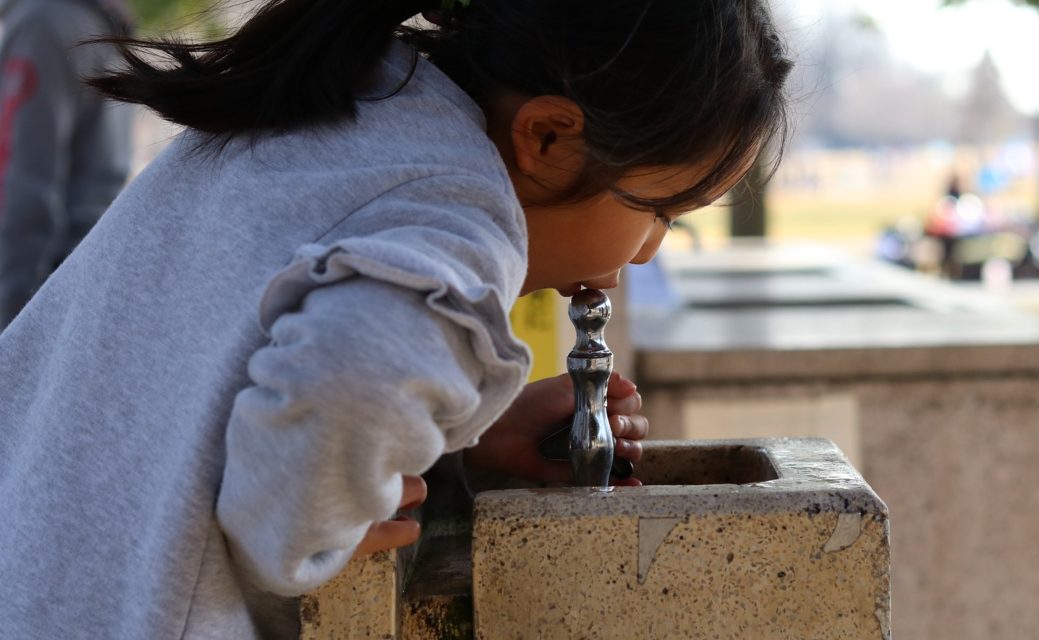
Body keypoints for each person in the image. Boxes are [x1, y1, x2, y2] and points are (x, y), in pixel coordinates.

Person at [0, 0, 791, 638]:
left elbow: (239, 370)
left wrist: (460, 430)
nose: (649, 251)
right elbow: (357, 366)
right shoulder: (461, 212)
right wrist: (311, 530)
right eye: (659, 211)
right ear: (549, 136)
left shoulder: (353, 102)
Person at [0, 0, 134, 326]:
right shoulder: (95, 25)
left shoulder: (44, 23)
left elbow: (24, 195)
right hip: (72, 297)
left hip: (36, 301)